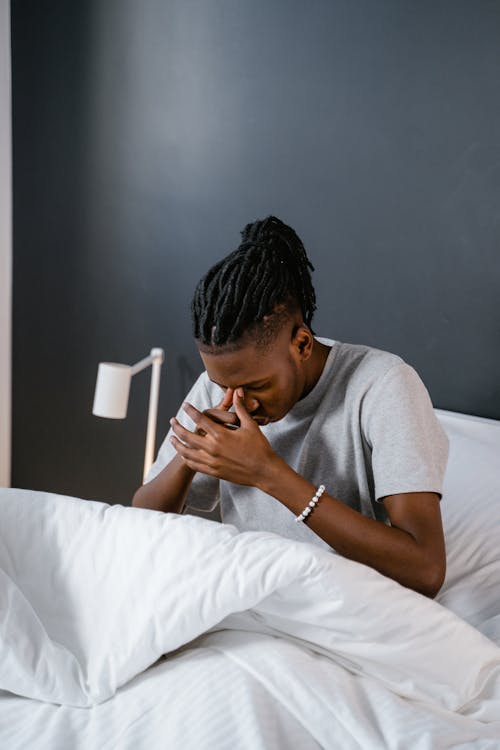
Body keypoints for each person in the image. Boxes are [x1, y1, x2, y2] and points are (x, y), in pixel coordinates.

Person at [132, 216, 449, 597]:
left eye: (256, 386)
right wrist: (189, 457)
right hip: (251, 597)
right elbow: (141, 526)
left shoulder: (382, 385)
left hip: (349, 605)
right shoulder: (223, 386)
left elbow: (426, 570)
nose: (240, 403)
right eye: (223, 386)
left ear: (301, 344)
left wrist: (268, 474)